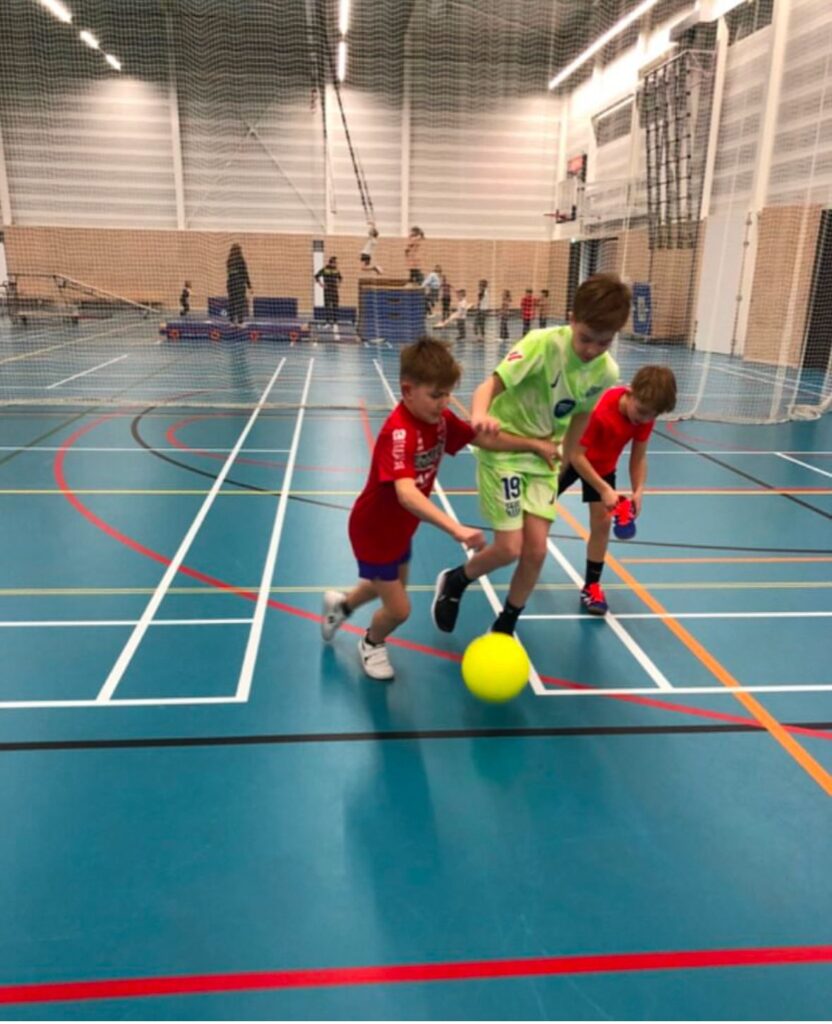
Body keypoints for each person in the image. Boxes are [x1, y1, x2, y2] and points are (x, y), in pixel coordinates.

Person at [320, 337, 558, 680]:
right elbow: (406, 493)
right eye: (436, 395)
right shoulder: (399, 432)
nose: (443, 402)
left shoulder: (441, 420)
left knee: (382, 586)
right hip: (374, 530)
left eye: (447, 394)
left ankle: (339, 607)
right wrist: (455, 528)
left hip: (400, 529)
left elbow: (484, 439)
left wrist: (533, 445)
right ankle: (371, 643)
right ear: (407, 390)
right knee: (399, 608)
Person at [431, 273, 631, 637]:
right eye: (586, 339)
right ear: (572, 319)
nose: (591, 350)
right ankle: (456, 581)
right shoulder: (542, 344)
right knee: (509, 548)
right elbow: (489, 385)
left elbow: (580, 421)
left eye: (603, 342)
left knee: (536, 551)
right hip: (505, 449)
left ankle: (506, 624)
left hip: (543, 459)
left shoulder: (606, 371)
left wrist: (563, 465)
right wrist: (480, 414)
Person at [557, 365, 677, 615]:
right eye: (642, 411)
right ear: (630, 392)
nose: (644, 419)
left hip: (602, 467)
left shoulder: (644, 416)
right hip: (569, 460)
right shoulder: (599, 409)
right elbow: (577, 456)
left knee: (601, 526)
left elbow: (638, 457)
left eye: (651, 415)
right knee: (536, 515)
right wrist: (603, 489)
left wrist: (639, 490)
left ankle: (591, 587)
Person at [226, 244, 251, 325]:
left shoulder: (229, 260)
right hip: (239, 283)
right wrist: (249, 285)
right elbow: (245, 273)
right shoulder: (240, 260)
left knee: (232, 302)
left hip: (230, 283)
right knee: (240, 302)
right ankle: (240, 322)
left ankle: (232, 321)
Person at [314, 256, 343, 326]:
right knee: (327, 305)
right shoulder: (325, 269)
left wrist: (339, 284)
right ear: (332, 262)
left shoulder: (336, 270)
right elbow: (316, 276)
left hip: (334, 289)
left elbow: (340, 278)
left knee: (335, 305)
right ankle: (328, 320)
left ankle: (335, 320)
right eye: (335, 263)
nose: (336, 264)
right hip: (327, 290)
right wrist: (321, 284)